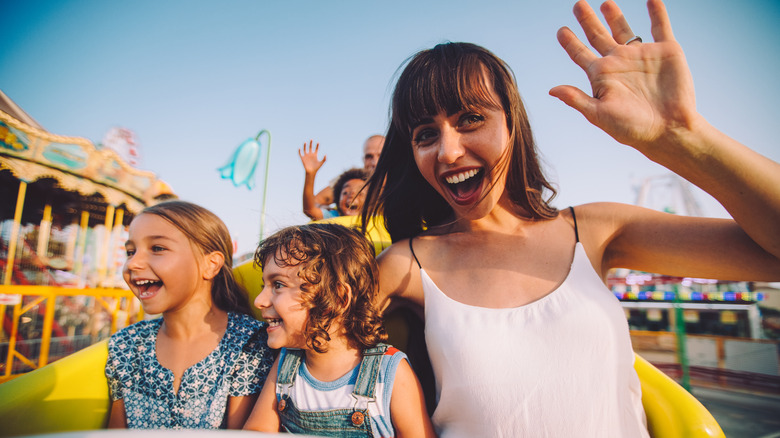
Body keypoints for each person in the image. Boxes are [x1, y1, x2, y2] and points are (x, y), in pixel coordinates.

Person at [360, 0, 780, 436]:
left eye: (470, 119)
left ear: (512, 124)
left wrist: (683, 134)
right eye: (426, 135)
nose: (448, 151)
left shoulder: (596, 231)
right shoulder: (406, 263)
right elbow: (306, 349)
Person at [243, 223, 435, 437]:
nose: (259, 301)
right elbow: (257, 432)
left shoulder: (388, 370)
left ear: (337, 299)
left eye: (278, 284)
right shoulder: (287, 362)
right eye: (264, 286)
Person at [105, 200, 275, 429]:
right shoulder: (125, 344)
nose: (133, 263)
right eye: (130, 252)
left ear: (210, 264)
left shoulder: (248, 342)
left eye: (157, 248)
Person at [300, 135, 385, 219]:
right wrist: (310, 175)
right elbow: (313, 205)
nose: (375, 162)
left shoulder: (396, 184)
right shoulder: (351, 180)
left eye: (380, 155)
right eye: (369, 156)